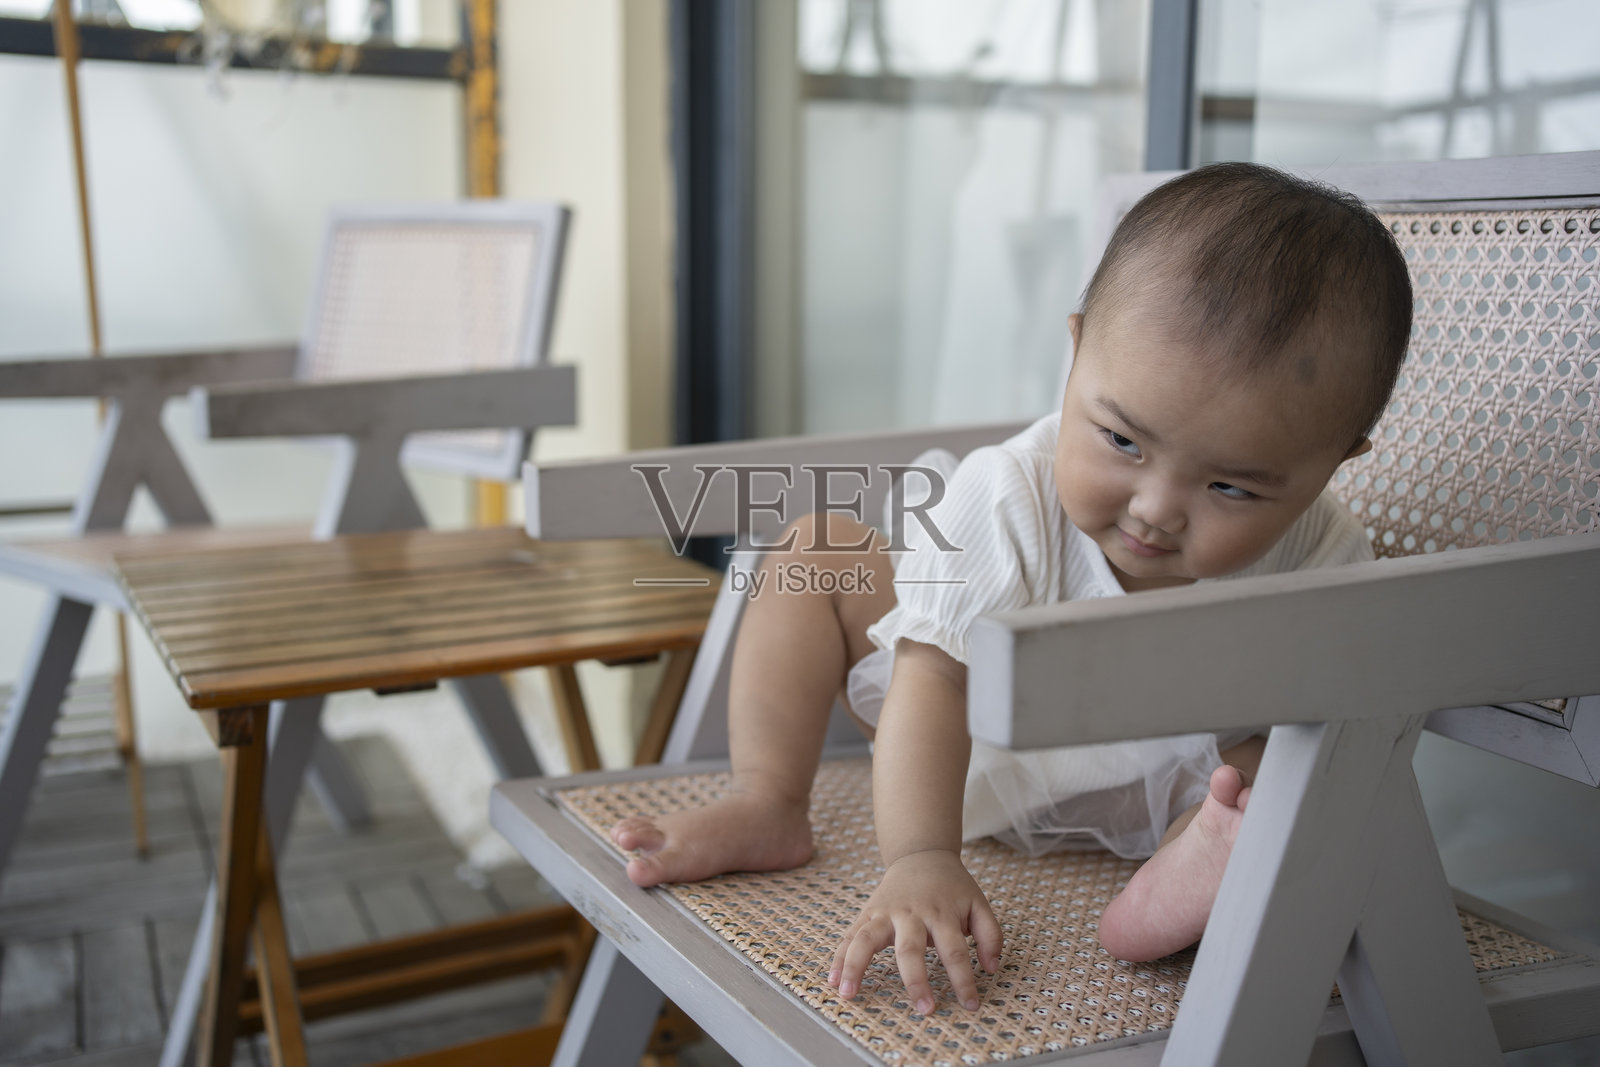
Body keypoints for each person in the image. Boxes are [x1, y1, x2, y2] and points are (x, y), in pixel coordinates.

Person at [609, 162, 1414, 1016]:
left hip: (1177, 782)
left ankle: (1179, 881)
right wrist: (921, 857)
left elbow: (1343, 725)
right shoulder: (1008, 492)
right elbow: (933, 677)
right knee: (816, 548)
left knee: (1275, 767)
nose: (1154, 508)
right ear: (1075, 351)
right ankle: (768, 796)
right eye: (1122, 441)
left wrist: (1271, 792)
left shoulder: (1325, 550)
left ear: (1336, 461)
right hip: (964, 742)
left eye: (1230, 487)